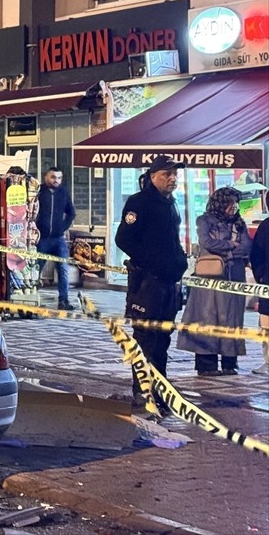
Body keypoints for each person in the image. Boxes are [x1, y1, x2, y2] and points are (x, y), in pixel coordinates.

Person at [115, 155, 188, 414]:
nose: (172, 179)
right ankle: (142, 392)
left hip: (169, 283)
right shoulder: (139, 202)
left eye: (174, 174)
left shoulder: (171, 203)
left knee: (162, 340)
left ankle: (160, 389)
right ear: (153, 176)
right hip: (148, 283)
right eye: (167, 174)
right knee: (145, 340)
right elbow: (123, 238)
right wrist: (149, 261)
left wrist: (179, 261)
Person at [177, 187, 252, 376]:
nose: (233, 206)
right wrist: (230, 246)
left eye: (236, 202)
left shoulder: (239, 224)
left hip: (234, 277)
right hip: (210, 277)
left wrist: (226, 249)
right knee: (207, 317)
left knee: (232, 319)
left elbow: (245, 248)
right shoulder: (205, 220)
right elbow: (206, 243)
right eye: (230, 202)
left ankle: (229, 362)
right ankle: (206, 364)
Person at [35, 167, 77, 310]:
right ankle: (32, 297)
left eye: (59, 178)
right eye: (53, 177)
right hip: (42, 238)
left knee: (63, 269)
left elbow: (71, 213)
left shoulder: (63, 193)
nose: (56, 180)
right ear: (46, 177)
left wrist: (62, 227)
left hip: (58, 238)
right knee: (36, 268)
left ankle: (63, 301)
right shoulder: (39, 192)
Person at [251, 221, 269, 375]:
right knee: (266, 324)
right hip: (267, 284)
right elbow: (257, 256)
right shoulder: (266, 227)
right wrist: (262, 277)